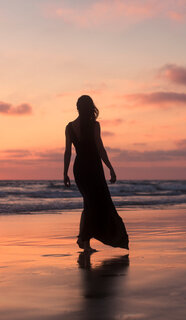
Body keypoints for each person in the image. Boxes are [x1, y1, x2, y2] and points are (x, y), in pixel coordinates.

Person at [64, 95, 129, 252]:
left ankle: (83, 241)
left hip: (79, 168)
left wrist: (65, 173)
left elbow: (68, 152)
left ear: (77, 107)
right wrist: (110, 168)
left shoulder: (70, 126)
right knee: (93, 203)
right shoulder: (94, 125)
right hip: (93, 167)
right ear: (90, 107)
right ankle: (83, 240)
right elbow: (100, 149)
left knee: (89, 203)